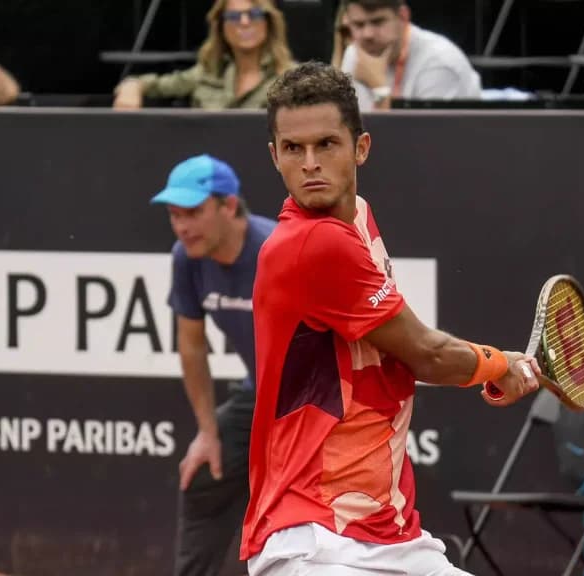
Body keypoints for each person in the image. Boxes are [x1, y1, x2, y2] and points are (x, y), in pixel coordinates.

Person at [240, 62, 539, 575]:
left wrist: (494, 368)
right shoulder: (313, 244)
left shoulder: (357, 218)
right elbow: (427, 352)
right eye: (293, 149)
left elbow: (403, 355)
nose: (310, 163)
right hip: (313, 539)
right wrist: (496, 365)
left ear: (361, 148)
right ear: (274, 156)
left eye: (327, 144)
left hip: (386, 532)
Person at [152, 154, 276, 575]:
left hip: (318, 402)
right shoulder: (186, 258)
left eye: (193, 213)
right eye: (174, 215)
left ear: (228, 205)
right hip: (258, 394)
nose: (183, 226)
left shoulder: (275, 252)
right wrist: (207, 432)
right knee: (203, 476)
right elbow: (191, 346)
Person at [113, 0, 294, 110]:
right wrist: (132, 86)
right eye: (234, 16)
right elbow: (155, 85)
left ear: (268, 22)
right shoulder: (205, 74)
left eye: (254, 14)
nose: (244, 23)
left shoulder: (292, 78)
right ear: (221, 26)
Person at [338, 0, 481, 110]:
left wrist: (379, 89)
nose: (368, 34)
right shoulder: (353, 55)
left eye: (378, 22)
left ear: (403, 16)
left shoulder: (440, 63)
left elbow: (422, 142)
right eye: (358, 25)